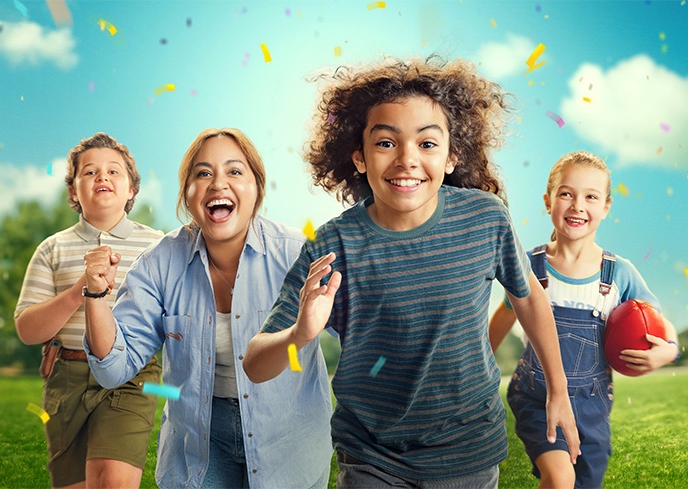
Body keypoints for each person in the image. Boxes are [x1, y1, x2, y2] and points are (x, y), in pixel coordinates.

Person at [243, 56, 580, 488]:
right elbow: (255, 363)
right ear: (359, 158)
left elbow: (528, 297)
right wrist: (299, 335)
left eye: (427, 143)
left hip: (469, 452)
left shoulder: (485, 219)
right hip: (372, 458)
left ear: (452, 156)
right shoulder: (334, 245)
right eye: (386, 143)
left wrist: (558, 388)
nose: (406, 159)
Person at [82, 128, 333, 489]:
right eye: (203, 173)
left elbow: (365, 329)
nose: (218, 184)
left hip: (289, 440)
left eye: (234, 171)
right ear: (187, 194)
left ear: (257, 189)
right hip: (199, 442)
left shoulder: (298, 253)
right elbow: (113, 369)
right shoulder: (159, 264)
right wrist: (95, 296)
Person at [489, 150, 680, 489]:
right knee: (560, 478)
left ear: (605, 208)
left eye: (591, 197)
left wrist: (667, 351)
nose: (578, 205)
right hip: (536, 395)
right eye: (566, 194)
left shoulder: (619, 272)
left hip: (592, 405)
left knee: (584, 482)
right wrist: (477, 363)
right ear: (548, 202)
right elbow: (505, 313)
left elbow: (659, 323)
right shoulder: (529, 267)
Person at [14, 132, 163, 489]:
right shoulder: (52, 249)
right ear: (74, 192)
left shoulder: (158, 246)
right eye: (90, 172)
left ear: (131, 190)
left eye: (114, 172)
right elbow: (28, 330)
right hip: (66, 377)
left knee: (111, 481)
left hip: (132, 376)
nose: (103, 178)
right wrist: (80, 289)